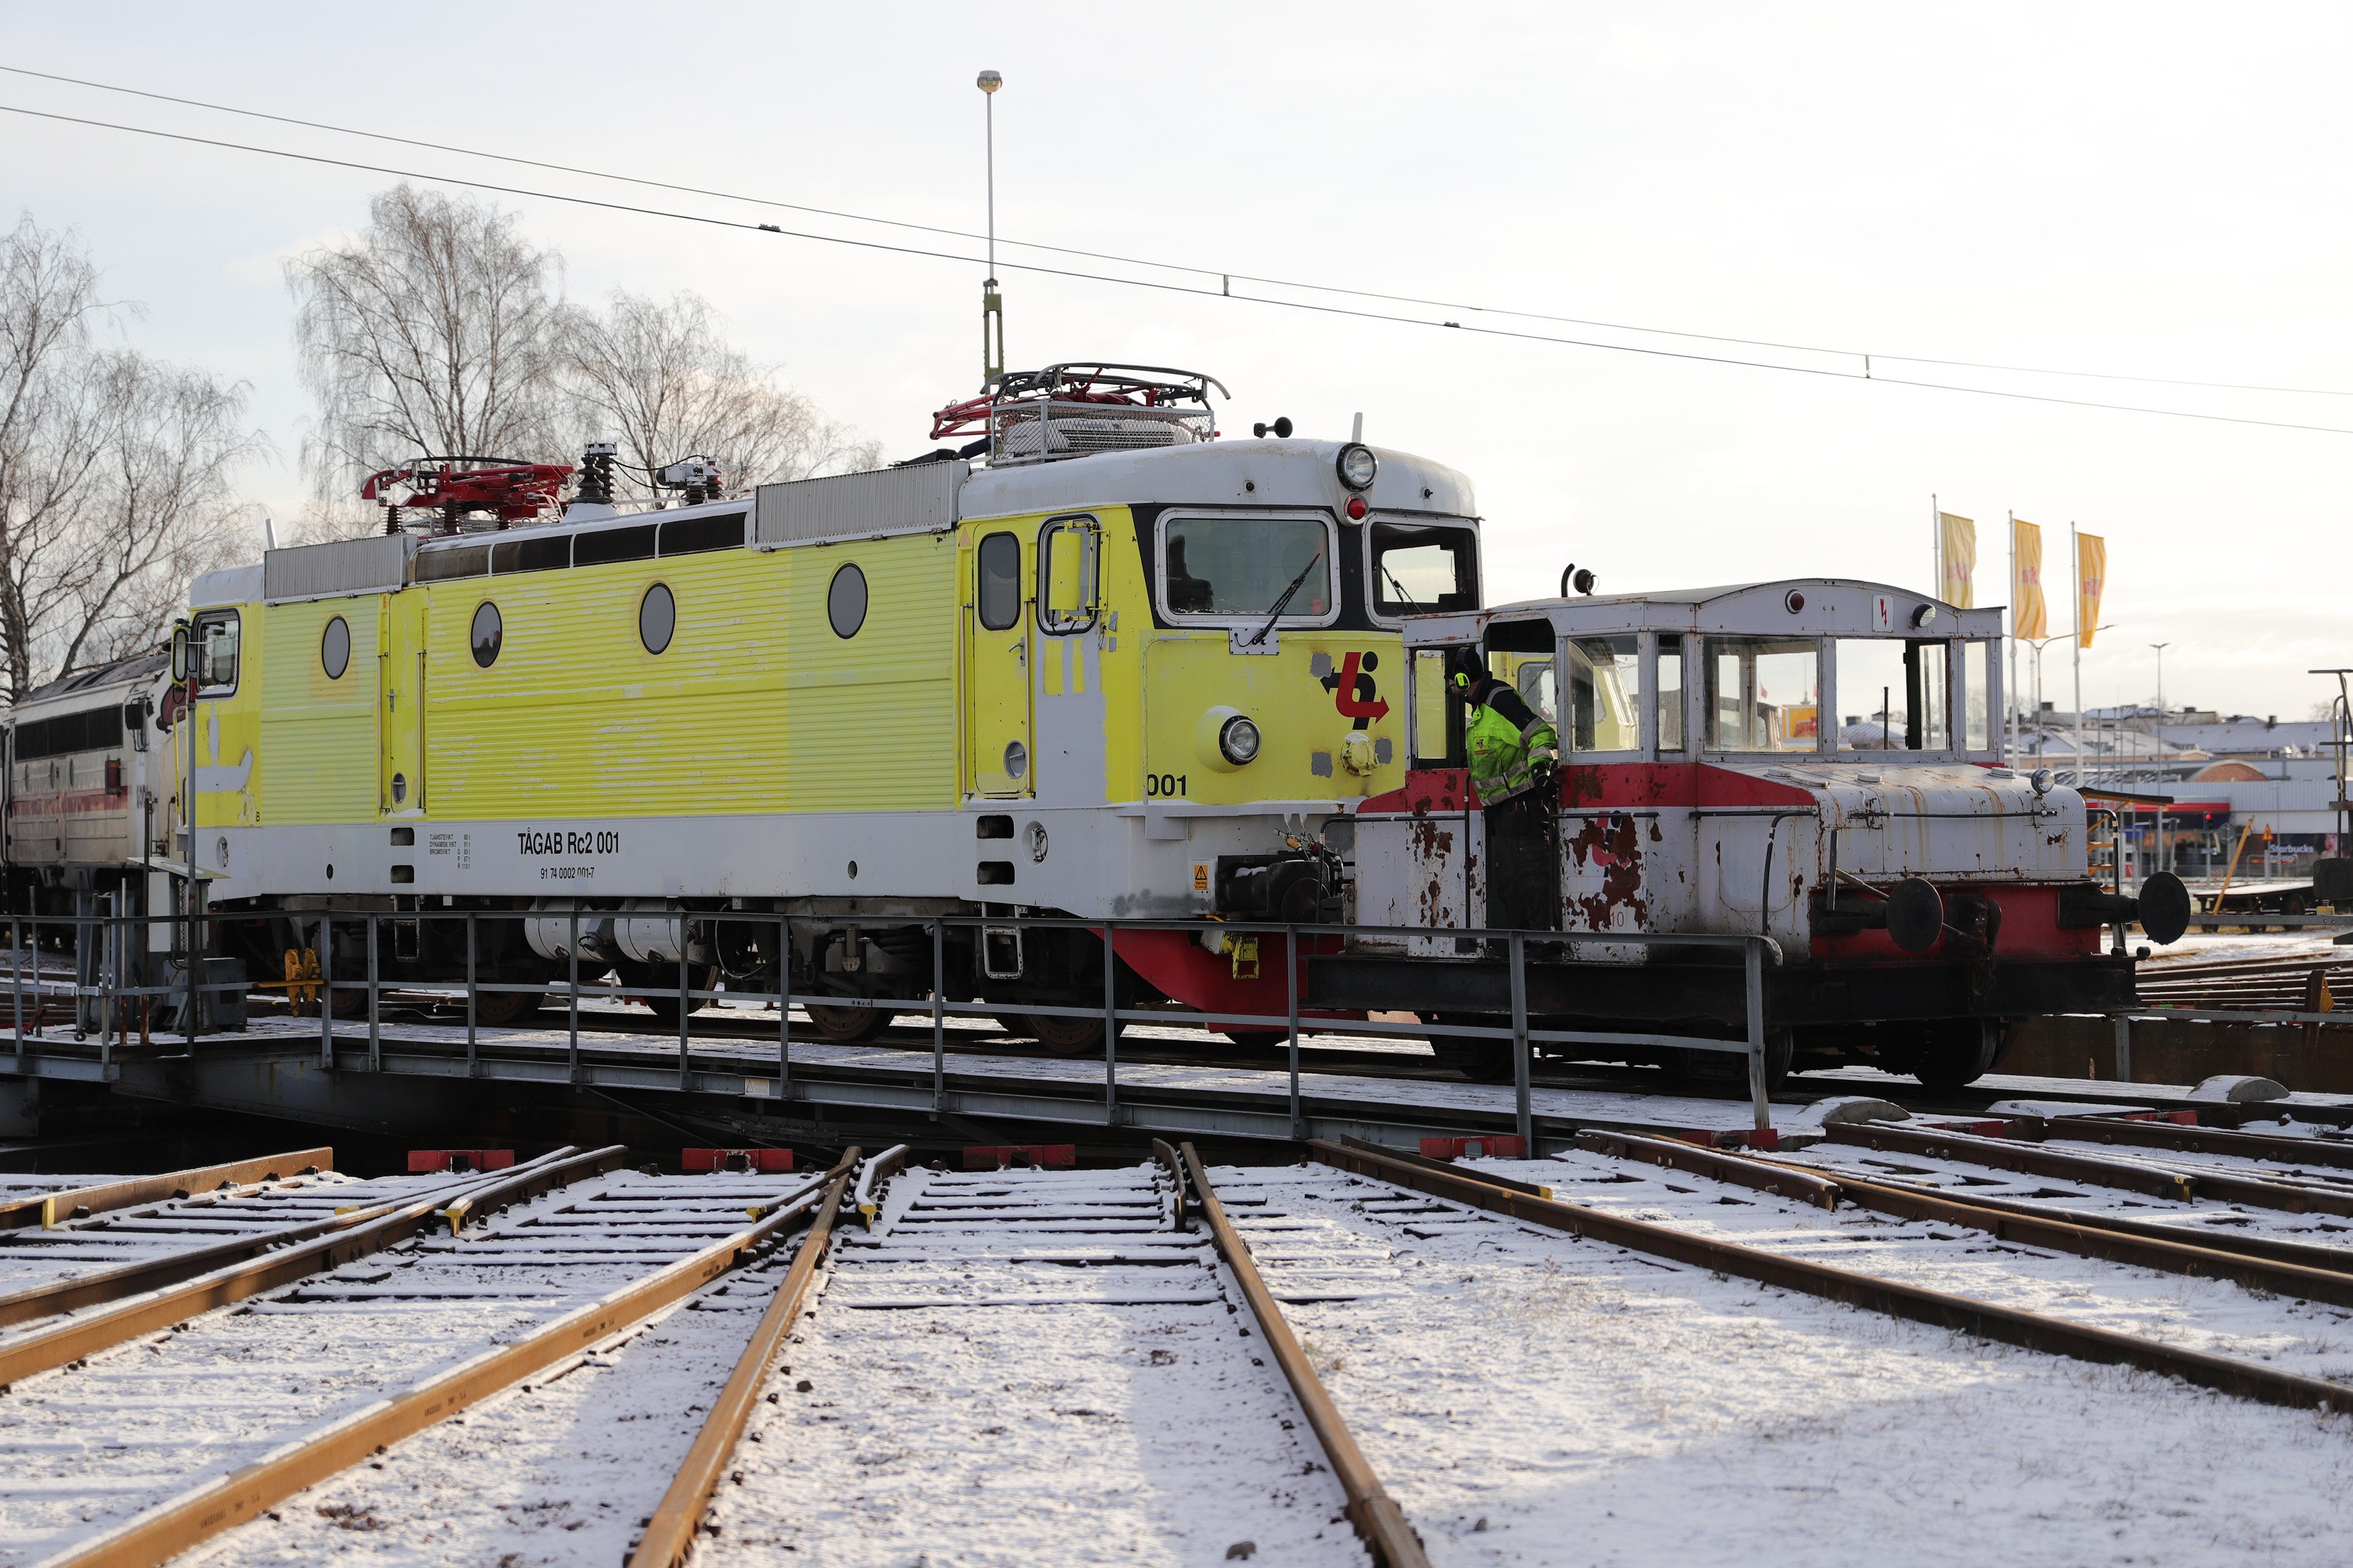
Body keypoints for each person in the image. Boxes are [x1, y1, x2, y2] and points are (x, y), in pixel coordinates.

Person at [1448, 647, 1561, 934]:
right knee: (1509, 882)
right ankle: (1520, 944)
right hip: (1503, 815)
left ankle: (1544, 940)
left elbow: (1541, 734)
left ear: (1463, 680)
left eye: (1452, 680)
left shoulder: (1500, 702)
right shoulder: (1481, 710)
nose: (1450, 686)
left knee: (1532, 878)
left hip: (1522, 808)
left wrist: (1539, 771)